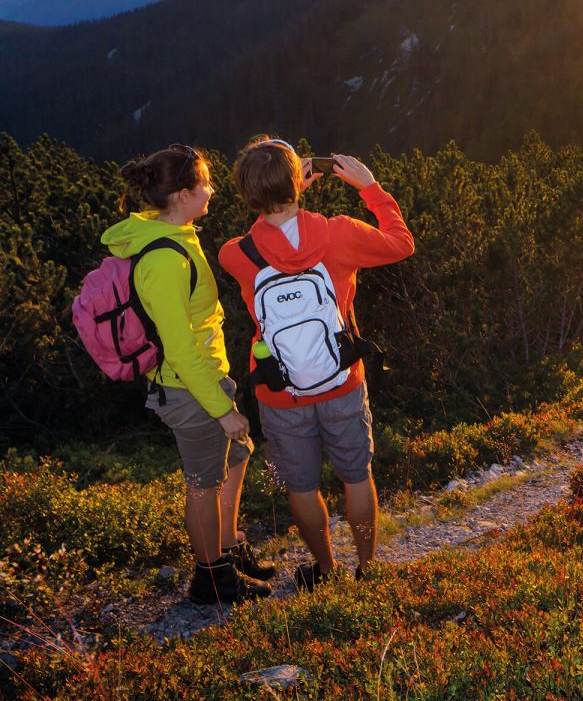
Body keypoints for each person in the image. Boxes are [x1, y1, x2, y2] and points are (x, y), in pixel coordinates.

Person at [219, 137, 413, 589]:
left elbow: (266, 237)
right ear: (297, 184)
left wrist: (280, 194)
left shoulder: (237, 254)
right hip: (343, 379)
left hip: (280, 391)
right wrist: (370, 187)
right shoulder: (340, 232)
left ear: (249, 195)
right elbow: (401, 243)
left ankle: (325, 569)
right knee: (356, 475)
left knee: (302, 487)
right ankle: (367, 567)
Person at [104, 144, 275, 605]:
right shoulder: (164, 260)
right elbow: (178, 349)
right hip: (187, 389)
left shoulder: (180, 235)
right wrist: (221, 409)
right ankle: (211, 578)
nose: (211, 190)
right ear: (181, 195)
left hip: (205, 379)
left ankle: (227, 547)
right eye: (203, 183)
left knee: (237, 457)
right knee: (204, 483)